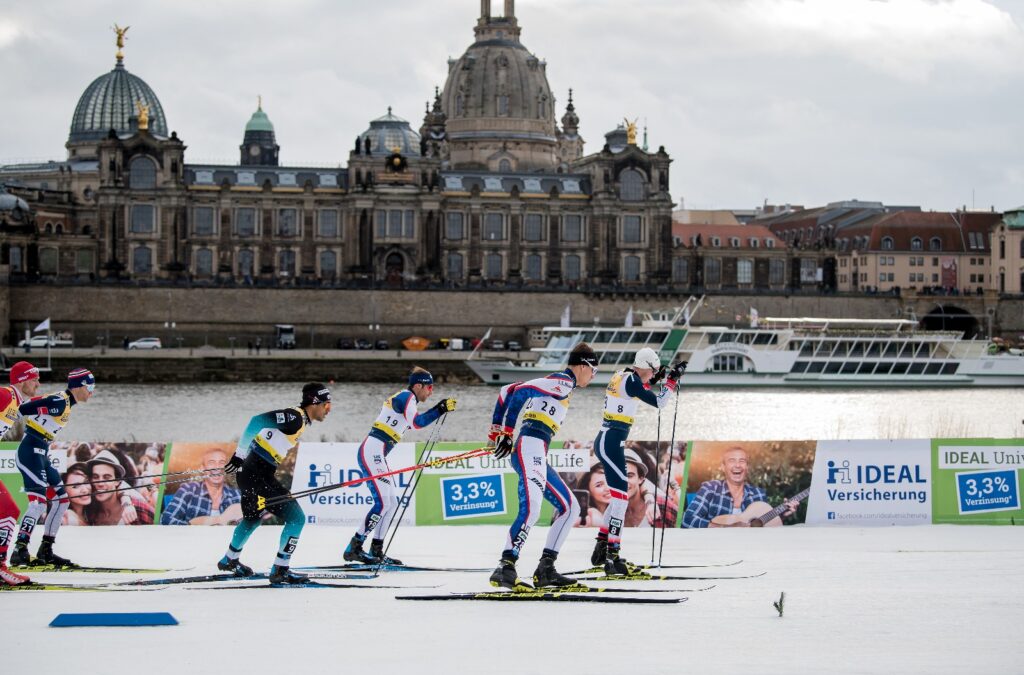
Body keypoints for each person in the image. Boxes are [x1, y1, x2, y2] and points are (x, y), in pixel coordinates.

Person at [487, 342, 598, 591]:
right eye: (594, 371)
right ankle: (506, 566)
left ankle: (546, 568)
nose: (593, 377)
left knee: (570, 507)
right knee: (533, 509)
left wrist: (497, 430)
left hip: (535, 449)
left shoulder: (558, 382)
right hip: (530, 447)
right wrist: (504, 432)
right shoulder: (564, 381)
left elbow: (506, 391)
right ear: (584, 366)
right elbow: (520, 392)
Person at [217, 383, 332, 584]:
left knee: (253, 518)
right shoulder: (295, 417)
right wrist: (239, 454)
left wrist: (243, 458)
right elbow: (257, 420)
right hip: (257, 473)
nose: (328, 411)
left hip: (253, 471)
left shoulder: (299, 419)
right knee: (297, 518)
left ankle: (230, 559)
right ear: (315, 403)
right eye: (327, 406)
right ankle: (281, 569)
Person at [343, 367, 455, 565]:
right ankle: (354, 547)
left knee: (391, 503)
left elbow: (413, 423)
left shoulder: (408, 399)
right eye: (429, 387)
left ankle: (376, 550)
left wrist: (440, 408)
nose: (431, 391)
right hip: (372, 452)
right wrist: (440, 408)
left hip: (376, 452)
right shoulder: (407, 397)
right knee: (384, 503)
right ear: (418, 385)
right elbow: (417, 423)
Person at [591, 348, 685, 575]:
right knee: (622, 499)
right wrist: (671, 381)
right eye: (651, 371)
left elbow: (640, 388)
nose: (652, 375)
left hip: (608, 440)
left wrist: (657, 377)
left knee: (617, 499)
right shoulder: (632, 381)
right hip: (610, 442)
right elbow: (660, 402)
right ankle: (612, 555)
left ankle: (603, 545)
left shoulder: (624, 375)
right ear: (643, 366)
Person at [10, 368, 95, 568]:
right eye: (90, 387)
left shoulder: (64, 403)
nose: (92, 391)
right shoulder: (59, 402)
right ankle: (19, 549)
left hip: (42, 453)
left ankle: (46, 550)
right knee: (38, 504)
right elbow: (22, 408)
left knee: (62, 501)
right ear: (79, 387)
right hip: (30, 452)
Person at [682, 446, 799, 528]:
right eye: (732, 461)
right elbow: (687, 520)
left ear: (747, 466)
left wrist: (780, 516)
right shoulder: (710, 488)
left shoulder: (759, 494)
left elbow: (760, 527)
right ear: (723, 467)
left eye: (742, 461)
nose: (737, 465)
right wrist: (724, 528)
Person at [0, 361, 41, 585]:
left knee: (8, 510)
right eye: (34, 379)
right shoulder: (6, 395)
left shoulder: (16, 402)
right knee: (8, 509)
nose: (38, 383)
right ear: (24, 381)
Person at [161, 447, 242, 525]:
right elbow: (166, 519)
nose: (217, 467)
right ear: (202, 468)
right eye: (211, 462)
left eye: (222, 462)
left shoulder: (237, 495)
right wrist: (193, 529)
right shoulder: (188, 490)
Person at [82, 450, 155, 526]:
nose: (100, 483)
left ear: (117, 481)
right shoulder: (88, 510)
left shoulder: (139, 508)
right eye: (95, 477)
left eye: (107, 477)